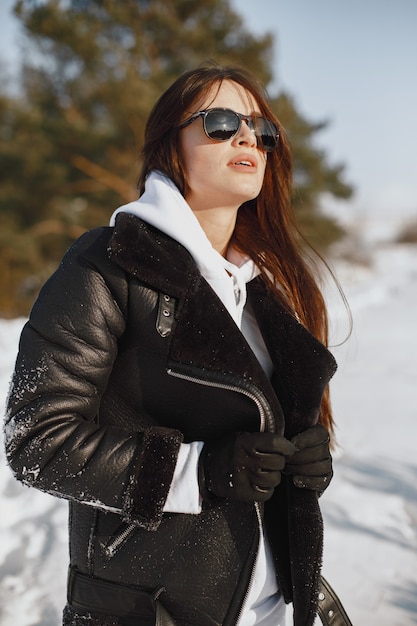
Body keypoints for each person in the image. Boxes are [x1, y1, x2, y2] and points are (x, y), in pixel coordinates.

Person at [5, 65, 337, 626]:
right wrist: (198, 471)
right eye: (222, 121)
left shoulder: (263, 291)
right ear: (170, 148)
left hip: (268, 610)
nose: (248, 138)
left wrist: (306, 462)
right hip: (147, 610)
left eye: (262, 129)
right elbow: (36, 442)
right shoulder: (106, 263)